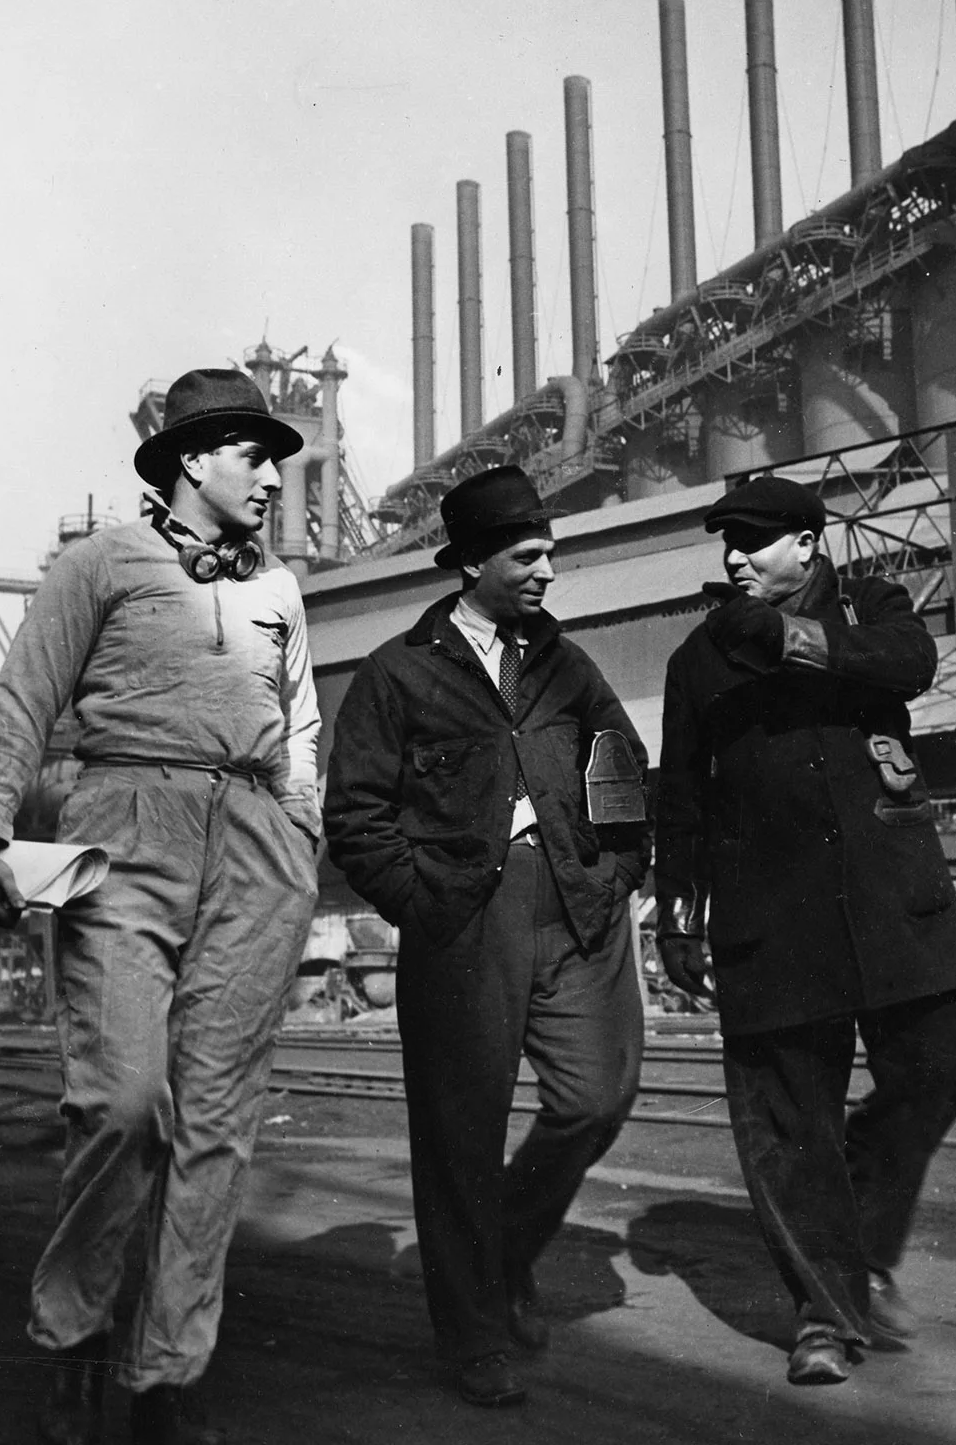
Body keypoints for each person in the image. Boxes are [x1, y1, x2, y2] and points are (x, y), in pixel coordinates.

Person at [0, 369, 324, 1445]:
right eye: (253, 453)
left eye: (277, 455)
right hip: (125, 819)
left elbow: (299, 726)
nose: (271, 472)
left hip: (255, 845)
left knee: (216, 1124)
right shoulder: (101, 559)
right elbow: (25, 693)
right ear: (191, 456)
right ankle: (72, 1337)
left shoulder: (280, 589)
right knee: (120, 1100)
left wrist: (300, 831)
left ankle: (167, 1369)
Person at [324, 465, 650, 1410]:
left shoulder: (564, 663)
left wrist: (617, 871)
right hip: (464, 923)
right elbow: (356, 816)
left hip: (575, 909)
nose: (548, 571)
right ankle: (473, 1335)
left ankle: (502, 1253)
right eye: (527, 556)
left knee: (597, 1094)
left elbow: (622, 772)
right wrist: (421, 905)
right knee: (460, 1138)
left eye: (551, 553)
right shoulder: (399, 671)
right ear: (470, 562)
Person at [655, 474, 956, 1387]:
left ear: (808, 543)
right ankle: (823, 1318)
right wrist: (678, 916)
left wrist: (791, 641)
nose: (734, 557)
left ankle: (858, 1244)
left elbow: (907, 665)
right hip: (770, 914)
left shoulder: (873, 604)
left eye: (755, 540)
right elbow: (678, 794)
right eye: (727, 541)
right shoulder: (698, 659)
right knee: (790, 1124)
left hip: (886, 898)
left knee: (934, 1076)